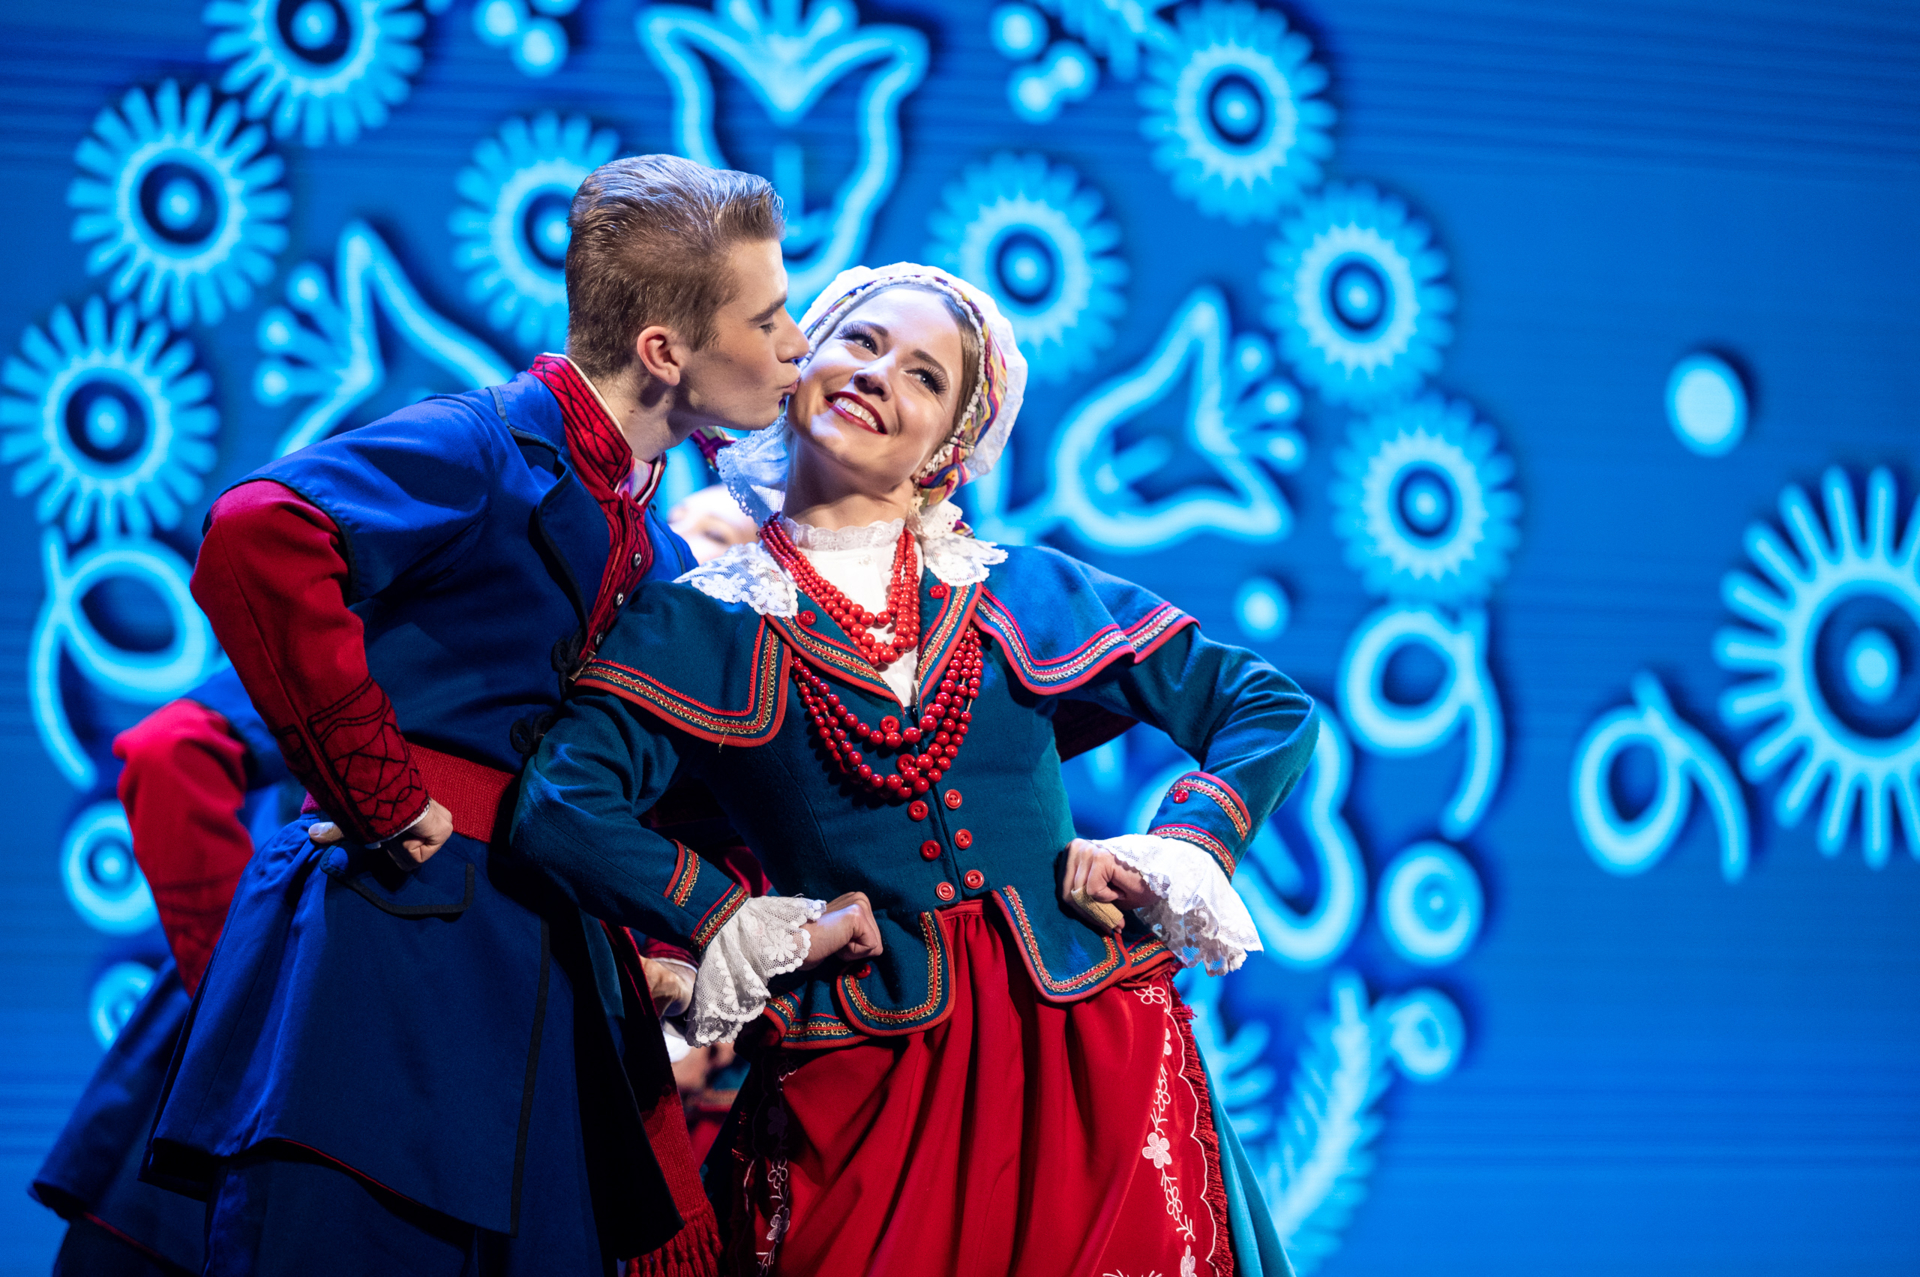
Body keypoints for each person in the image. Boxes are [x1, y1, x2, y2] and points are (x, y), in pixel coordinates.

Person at [512, 262, 1317, 1276]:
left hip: (1090, 1065)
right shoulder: (697, 622)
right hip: (865, 1078)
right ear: (801, 366)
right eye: (860, 340)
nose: (879, 373)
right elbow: (561, 805)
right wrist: (736, 918)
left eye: (926, 376)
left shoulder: (1020, 587)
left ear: (948, 449)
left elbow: (1265, 705)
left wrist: (1179, 846)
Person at [143, 155, 808, 1276]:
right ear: (664, 350)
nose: (796, 343)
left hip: (535, 998)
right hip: (386, 971)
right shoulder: (490, 444)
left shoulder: (648, 542)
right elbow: (260, 531)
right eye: (770, 315)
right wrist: (376, 786)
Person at [32, 669, 296, 1276]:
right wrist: (247, 1009)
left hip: (199, 1145)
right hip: (251, 1129)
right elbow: (170, 753)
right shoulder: (416, 643)